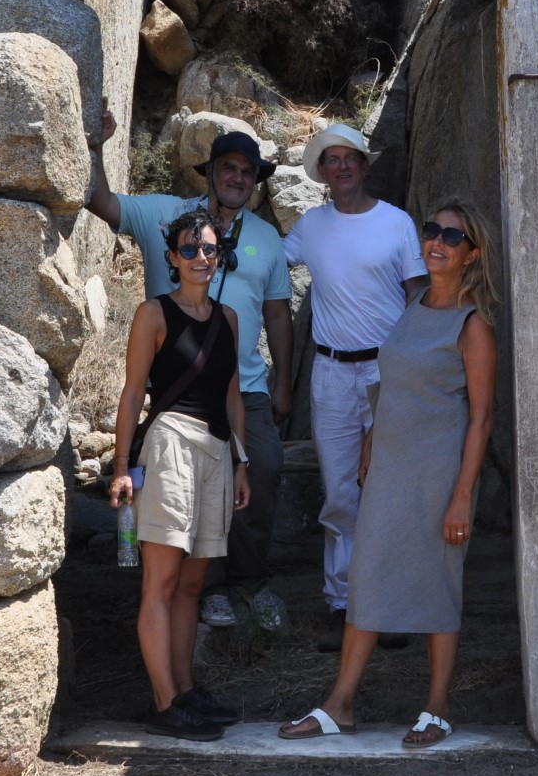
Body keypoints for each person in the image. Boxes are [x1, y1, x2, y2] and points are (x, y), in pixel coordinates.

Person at [279, 201, 498, 748]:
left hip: (438, 474)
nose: (437, 241)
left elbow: (481, 418)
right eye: (432, 230)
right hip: (390, 466)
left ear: (472, 255)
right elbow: (395, 382)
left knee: (439, 580)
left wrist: (462, 497)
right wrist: (373, 437)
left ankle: (437, 707)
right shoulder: (415, 303)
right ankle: (340, 705)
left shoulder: (472, 325)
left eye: (453, 236)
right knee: (366, 574)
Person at [86, 106, 293, 634]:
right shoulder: (166, 214)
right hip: (178, 399)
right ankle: (211, 588)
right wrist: (96, 146)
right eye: (228, 167)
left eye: (247, 171)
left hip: (243, 387)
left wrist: (284, 383)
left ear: (256, 180)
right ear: (210, 172)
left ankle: (251, 580)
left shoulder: (267, 239)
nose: (237, 177)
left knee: (262, 469)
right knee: (194, 490)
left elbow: (277, 315)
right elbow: (102, 202)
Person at [281, 123, 428, 652]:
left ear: (365, 166)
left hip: (387, 372)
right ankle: (343, 606)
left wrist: (415, 369)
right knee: (341, 491)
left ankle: (389, 604)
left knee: (390, 489)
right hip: (332, 374)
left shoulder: (397, 222)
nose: (341, 166)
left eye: (350, 158)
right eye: (332, 159)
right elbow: (265, 263)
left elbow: (418, 296)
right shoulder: (310, 226)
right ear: (321, 172)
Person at [109, 207, 251, 741]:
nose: (200, 257)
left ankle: (186, 692)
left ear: (220, 255)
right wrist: (121, 467)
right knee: (162, 582)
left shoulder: (228, 319)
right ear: (172, 257)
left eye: (209, 248)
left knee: (193, 584)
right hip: (169, 444)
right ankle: (165, 702)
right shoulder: (153, 313)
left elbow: (232, 396)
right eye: (189, 249)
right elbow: (131, 394)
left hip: (216, 450)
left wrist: (241, 462)